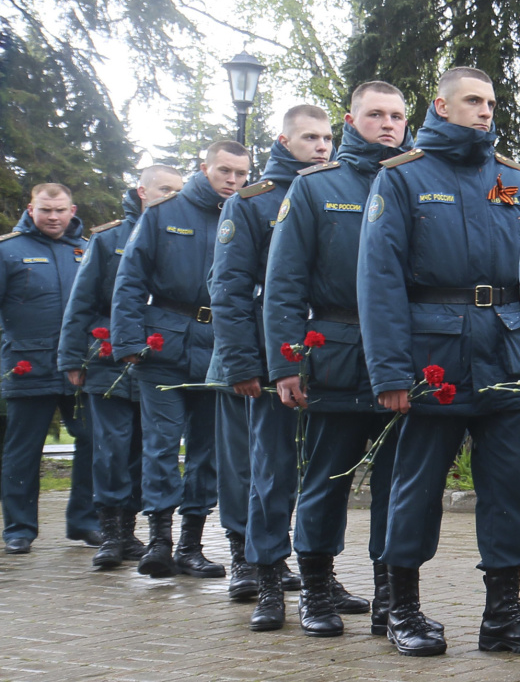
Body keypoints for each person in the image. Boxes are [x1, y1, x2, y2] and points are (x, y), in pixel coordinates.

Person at [359, 67, 520, 657]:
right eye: (472, 101)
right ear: (440, 104)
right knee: (417, 484)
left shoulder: (515, 179)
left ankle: (503, 612)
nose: (486, 111)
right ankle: (403, 607)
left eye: (491, 102)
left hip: (504, 352)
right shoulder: (403, 178)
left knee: (507, 487)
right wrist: (388, 372)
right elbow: (378, 282)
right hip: (432, 354)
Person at [264, 81, 415, 637]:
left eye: (397, 116)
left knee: (398, 482)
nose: (388, 125)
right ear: (351, 121)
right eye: (375, 115)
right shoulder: (314, 188)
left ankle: (386, 592)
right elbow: (283, 284)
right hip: (337, 352)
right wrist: (284, 363)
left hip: (402, 355)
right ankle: (317, 590)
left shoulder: (416, 181)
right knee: (328, 476)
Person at [210, 104, 356, 630]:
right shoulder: (253, 203)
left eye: (327, 137)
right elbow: (228, 291)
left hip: (332, 353)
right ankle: (267, 575)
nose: (322, 146)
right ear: (282, 140)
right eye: (310, 137)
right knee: (270, 470)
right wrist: (246, 362)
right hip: (275, 358)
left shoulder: (339, 190)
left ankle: (323, 573)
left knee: (326, 470)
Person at [112, 140, 251, 577]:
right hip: (165, 344)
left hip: (219, 345)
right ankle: (159, 540)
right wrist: (128, 341)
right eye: (224, 171)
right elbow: (130, 281)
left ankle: (191, 544)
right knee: (161, 443)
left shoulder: (245, 213)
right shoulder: (163, 215)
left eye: (241, 174)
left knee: (207, 451)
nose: (232, 181)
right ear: (203, 167)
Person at [61, 167, 181, 568]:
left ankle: (135, 534)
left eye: (177, 191)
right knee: (110, 448)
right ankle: (111, 534)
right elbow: (81, 302)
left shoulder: (182, 236)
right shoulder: (109, 239)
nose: (171, 197)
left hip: (161, 360)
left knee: (146, 450)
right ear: (141, 191)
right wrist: (74, 358)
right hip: (109, 361)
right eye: (164, 189)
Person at [0, 183, 95, 553]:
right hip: (28, 366)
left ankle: (85, 522)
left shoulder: (87, 250)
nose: (53, 217)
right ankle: (19, 529)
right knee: (24, 450)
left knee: (91, 440)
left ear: (72, 210)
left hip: (80, 369)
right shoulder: (8, 251)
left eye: (60, 210)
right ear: (31, 209)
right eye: (45, 210)